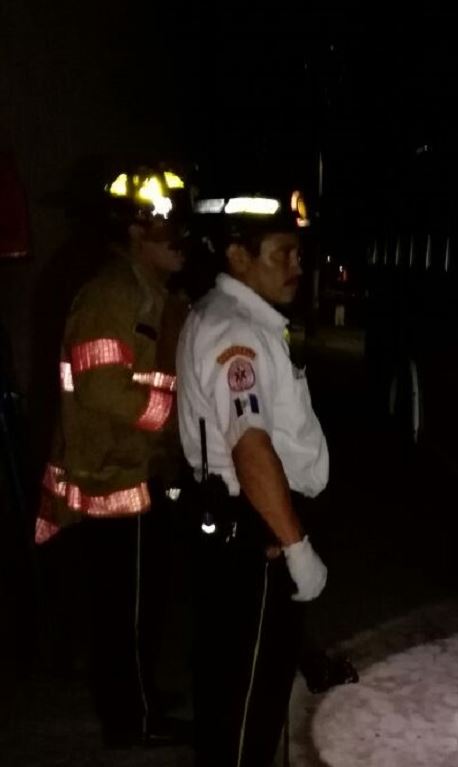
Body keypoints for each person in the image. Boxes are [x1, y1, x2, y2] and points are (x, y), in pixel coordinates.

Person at [33, 166, 192, 748]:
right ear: (132, 233)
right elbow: (101, 388)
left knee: (144, 605)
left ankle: (141, 693)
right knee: (124, 612)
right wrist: (174, 417)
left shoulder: (150, 293)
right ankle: (133, 721)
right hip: (113, 479)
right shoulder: (111, 294)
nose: (179, 238)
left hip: (142, 472)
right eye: (164, 226)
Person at [177, 188, 328, 766]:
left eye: (298, 252)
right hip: (257, 534)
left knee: (237, 690)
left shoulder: (241, 321)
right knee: (249, 702)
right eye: (282, 252)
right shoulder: (233, 332)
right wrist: (297, 548)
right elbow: (251, 446)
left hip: (249, 527)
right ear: (238, 257)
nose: (298, 264)